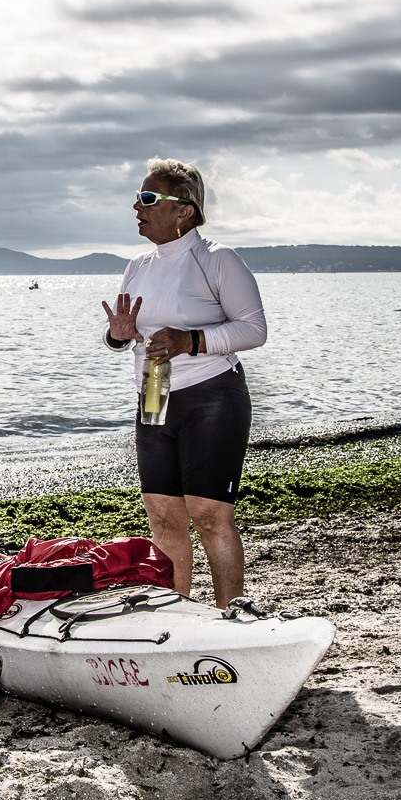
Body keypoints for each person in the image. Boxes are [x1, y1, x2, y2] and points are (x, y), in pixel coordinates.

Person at [100, 158, 266, 609]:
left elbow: (254, 330)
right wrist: (118, 336)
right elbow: (128, 338)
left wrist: (189, 340)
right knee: (164, 517)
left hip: (212, 396)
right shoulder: (138, 265)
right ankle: (180, 619)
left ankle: (232, 615)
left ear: (184, 210)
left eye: (149, 198)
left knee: (210, 515)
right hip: (153, 397)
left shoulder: (217, 259)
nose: (137, 206)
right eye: (138, 197)